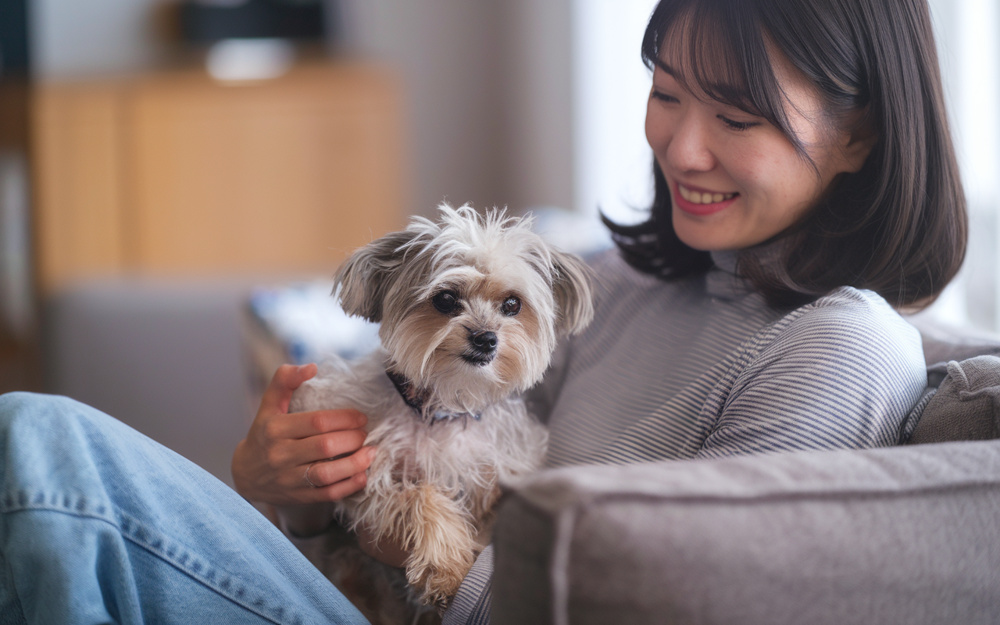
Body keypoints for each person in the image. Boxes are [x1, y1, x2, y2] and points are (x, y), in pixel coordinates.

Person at [0, 0, 967, 623]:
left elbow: (682, 606)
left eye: (739, 117)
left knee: (40, 450)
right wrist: (282, 485)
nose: (681, 147)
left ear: (860, 134)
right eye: (666, 93)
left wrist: (409, 542)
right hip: (374, 584)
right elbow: (443, 398)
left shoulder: (838, 349)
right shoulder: (635, 279)